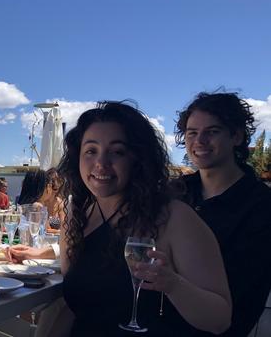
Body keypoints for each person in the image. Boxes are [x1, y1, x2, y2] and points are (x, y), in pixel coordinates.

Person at [55, 101, 231, 336]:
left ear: (137, 159)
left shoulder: (173, 218)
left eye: (117, 151)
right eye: (91, 151)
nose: (101, 163)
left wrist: (172, 284)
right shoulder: (77, 214)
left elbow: (219, 319)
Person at [174, 92, 271, 336]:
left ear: (236, 136)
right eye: (192, 133)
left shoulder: (261, 204)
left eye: (212, 131)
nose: (200, 141)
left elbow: (243, 284)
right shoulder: (176, 192)